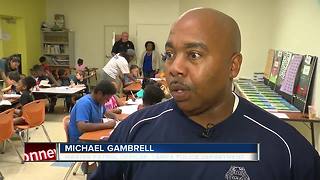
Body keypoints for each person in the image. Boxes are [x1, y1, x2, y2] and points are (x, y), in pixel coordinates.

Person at [91, 8, 320, 180]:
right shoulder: (133, 132)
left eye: (194, 55)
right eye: (170, 53)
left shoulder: (286, 150)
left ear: (233, 66)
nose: (174, 67)